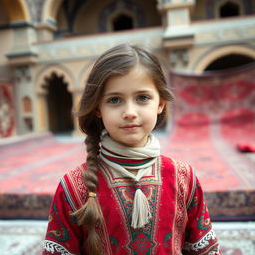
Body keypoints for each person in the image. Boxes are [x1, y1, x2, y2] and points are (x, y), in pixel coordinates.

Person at [43, 44, 222, 255]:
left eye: (142, 98)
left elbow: (204, 249)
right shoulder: (74, 186)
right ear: (98, 108)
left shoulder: (183, 176)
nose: (129, 112)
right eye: (114, 100)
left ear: (161, 104)